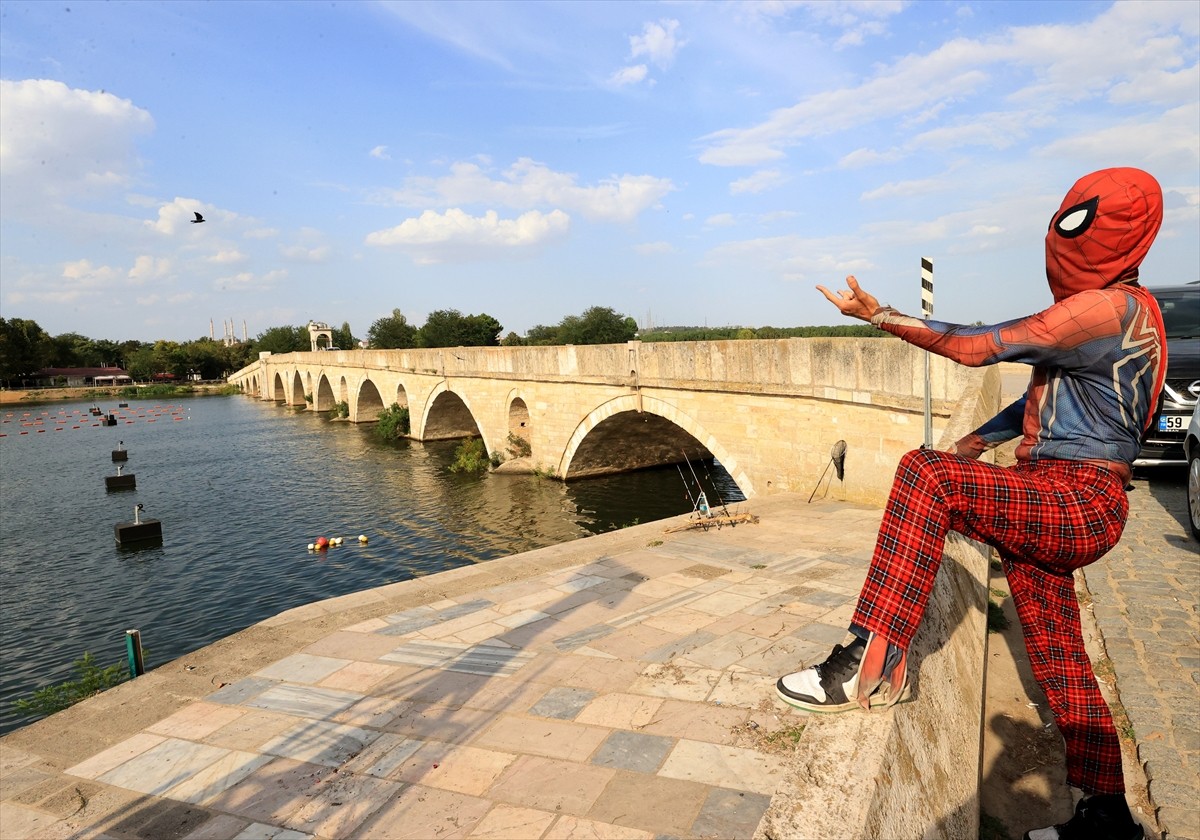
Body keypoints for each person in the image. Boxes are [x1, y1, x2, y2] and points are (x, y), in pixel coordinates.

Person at [775, 167, 1165, 840]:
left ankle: (869, 662)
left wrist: (881, 315)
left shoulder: (1103, 308)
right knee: (1062, 660)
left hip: (1073, 496)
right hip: (1079, 500)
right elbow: (1048, 398)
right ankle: (1106, 819)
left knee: (925, 475)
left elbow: (977, 347)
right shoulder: (1135, 313)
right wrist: (981, 439)